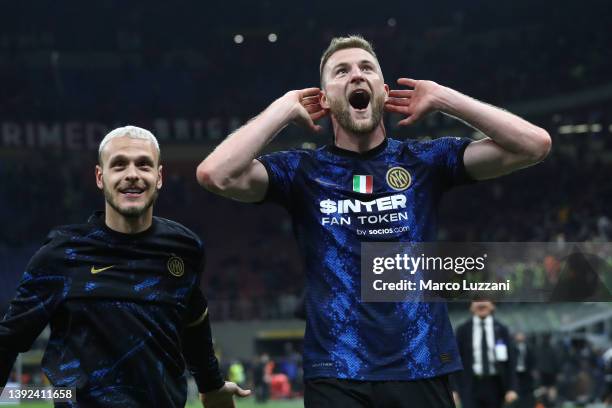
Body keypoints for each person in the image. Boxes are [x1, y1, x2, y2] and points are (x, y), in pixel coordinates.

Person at [196, 35, 551, 407]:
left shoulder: (424, 161)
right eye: (341, 71)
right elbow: (214, 174)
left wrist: (446, 98)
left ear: (383, 92)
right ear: (324, 99)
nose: (355, 76)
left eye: (366, 68)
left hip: (421, 367)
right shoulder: (303, 171)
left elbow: (535, 145)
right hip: (336, 372)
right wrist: (282, 109)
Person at [0, 126, 250, 407]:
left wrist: (212, 384)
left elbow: (194, 320)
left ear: (159, 177)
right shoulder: (61, 255)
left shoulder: (184, 248)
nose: (132, 174)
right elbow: (8, 339)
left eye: (143, 164)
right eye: (119, 165)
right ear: (99, 177)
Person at [453, 301, 518, 408]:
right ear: (471, 306)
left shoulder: (502, 329)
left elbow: (511, 361)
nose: (481, 304)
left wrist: (512, 388)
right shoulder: (462, 330)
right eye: (477, 301)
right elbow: (454, 360)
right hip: (470, 385)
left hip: (496, 386)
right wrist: (453, 389)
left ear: (493, 306)